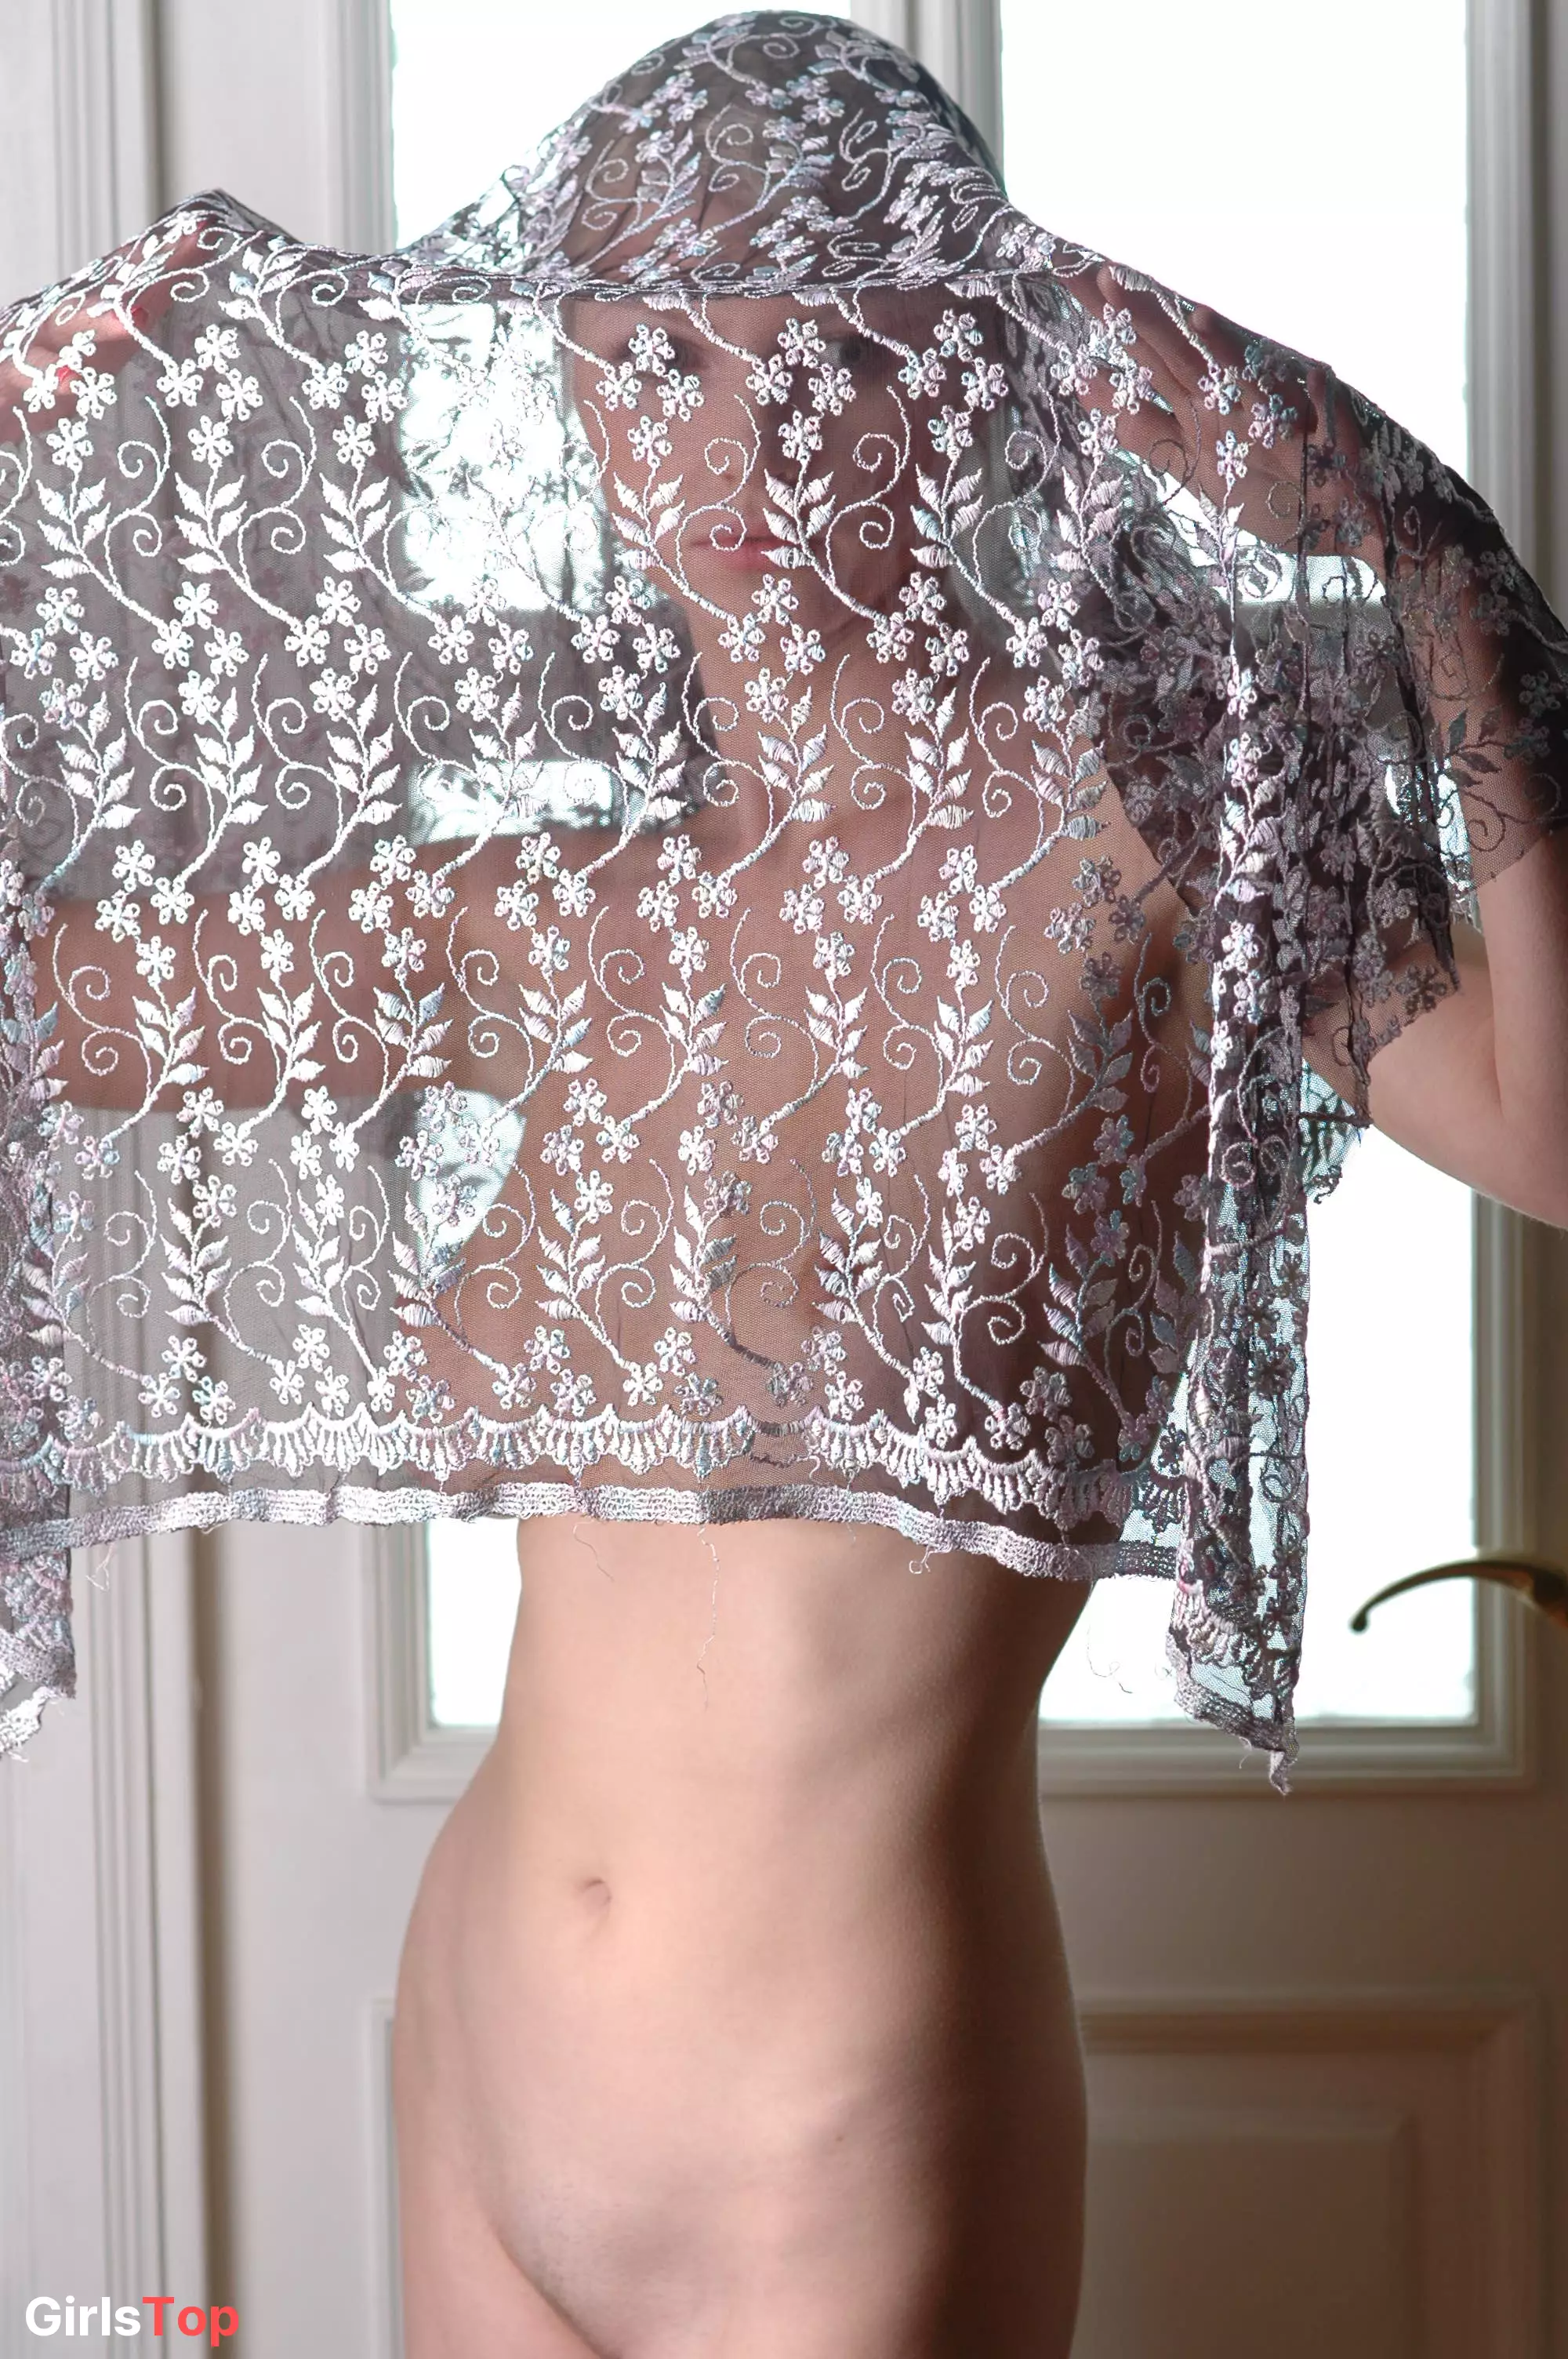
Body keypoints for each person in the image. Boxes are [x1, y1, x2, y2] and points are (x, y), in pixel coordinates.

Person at [1, 15, 1564, 2354]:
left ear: (965, 366)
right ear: (575, 399)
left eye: (816, 344)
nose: (730, 438)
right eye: (649, 358)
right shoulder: (574, 909)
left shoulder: (1160, 823)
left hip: (833, 2135)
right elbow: (40, 1005)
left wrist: (1422, 554)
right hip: (479, 2057)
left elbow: (1550, 1122)